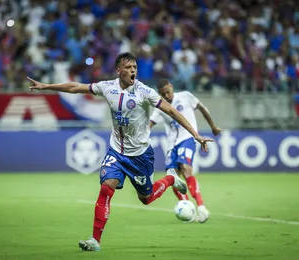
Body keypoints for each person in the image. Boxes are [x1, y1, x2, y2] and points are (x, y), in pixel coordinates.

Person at [27, 52, 214, 252]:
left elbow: (172, 111)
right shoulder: (107, 87)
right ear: (118, 71)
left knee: (146, 198)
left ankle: (169, 179)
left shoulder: (145, 91)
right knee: (106, 188)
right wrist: (46, 86)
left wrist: (196, 134)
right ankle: (95, 240)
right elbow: (75, 87)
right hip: (116, 151)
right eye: (128, 67)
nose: (133, 70)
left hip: (140, 155)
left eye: (134, 67)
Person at [150, 79, 221, 223]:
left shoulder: (185, 96)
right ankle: (188, 208)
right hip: (171, 144)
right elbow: (149, 124)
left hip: (187, 138)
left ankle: (201, 206)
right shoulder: (160, 106)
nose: (167, 96)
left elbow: (202, 108)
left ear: (171, 86)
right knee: (173, 178)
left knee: (186, 169)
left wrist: (213, 126)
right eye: (163, 94)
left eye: (168, 92)